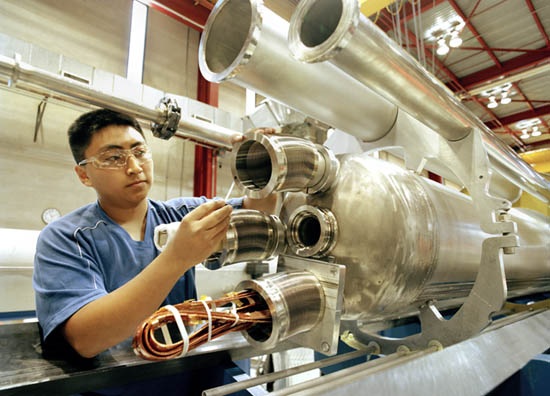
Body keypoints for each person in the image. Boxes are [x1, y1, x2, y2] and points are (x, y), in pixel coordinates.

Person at [32, 109, 277, 391]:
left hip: (186, 377)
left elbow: (259, 213)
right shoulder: (65, 238)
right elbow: (87, 339)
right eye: (114, 158)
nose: (134, 167)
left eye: (140, 151)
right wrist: (177, 258)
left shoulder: (181, 213)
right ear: (84, 174)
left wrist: (265, 165)